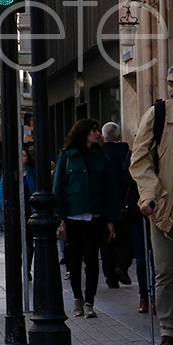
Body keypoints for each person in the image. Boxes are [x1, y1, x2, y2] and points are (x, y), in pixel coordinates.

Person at [129, 62, 173, 345]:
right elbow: (139, 160)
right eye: (170, 83)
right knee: (165, 272)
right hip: (164, 208)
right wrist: (148, 194)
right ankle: (168, 332)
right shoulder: (157, 115)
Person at [53, 118, 117, 319]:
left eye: (99, 130)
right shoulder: (67, 157)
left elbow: (109, 190)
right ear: (84, 133)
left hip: (94, 215)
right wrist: (60, 217)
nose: (98, 134)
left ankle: (89, 301)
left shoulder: (101, 157)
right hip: (73, 216)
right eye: (94, 130)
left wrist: (110, 219)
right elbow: (58, 189)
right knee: (74, 260)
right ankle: (77, 299)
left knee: (92, 259)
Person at [102, 121, 147, 309]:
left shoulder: (99, 154)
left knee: (107, 240)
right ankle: (121, 264)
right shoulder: (125, 153)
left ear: (104, 136)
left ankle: (111, 276)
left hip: (106, 201)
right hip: (128, 203)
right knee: (126, 238)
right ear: (118, 136)